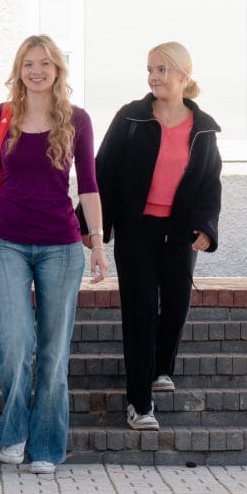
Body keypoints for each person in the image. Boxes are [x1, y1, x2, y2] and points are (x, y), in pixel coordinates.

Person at [0, 35, 108, 474]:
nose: (37, 70)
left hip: (61, 248)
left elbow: (88, 187)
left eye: (45, 63)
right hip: (6, 242)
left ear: (57, 70)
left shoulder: (77, 121)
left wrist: (98, 243)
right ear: (19, 69)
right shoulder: (0, 117)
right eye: (29, 63)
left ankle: (46, 444)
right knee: (15, 342)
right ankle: (14, 432)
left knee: (52, 350)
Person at [85, 41, 222, 431]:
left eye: (162, 69)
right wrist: (92, 225)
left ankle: (162, 366)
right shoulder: (132, 117)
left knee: (176, 303)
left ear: (183, 75)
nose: (154, 77)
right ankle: (139, 403)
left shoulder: (204, 128)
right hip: (137, 227)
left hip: (179, 230)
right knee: (140, 310)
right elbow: (104, 169)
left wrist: (206, 227)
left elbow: (210, 182)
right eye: (150, 69)